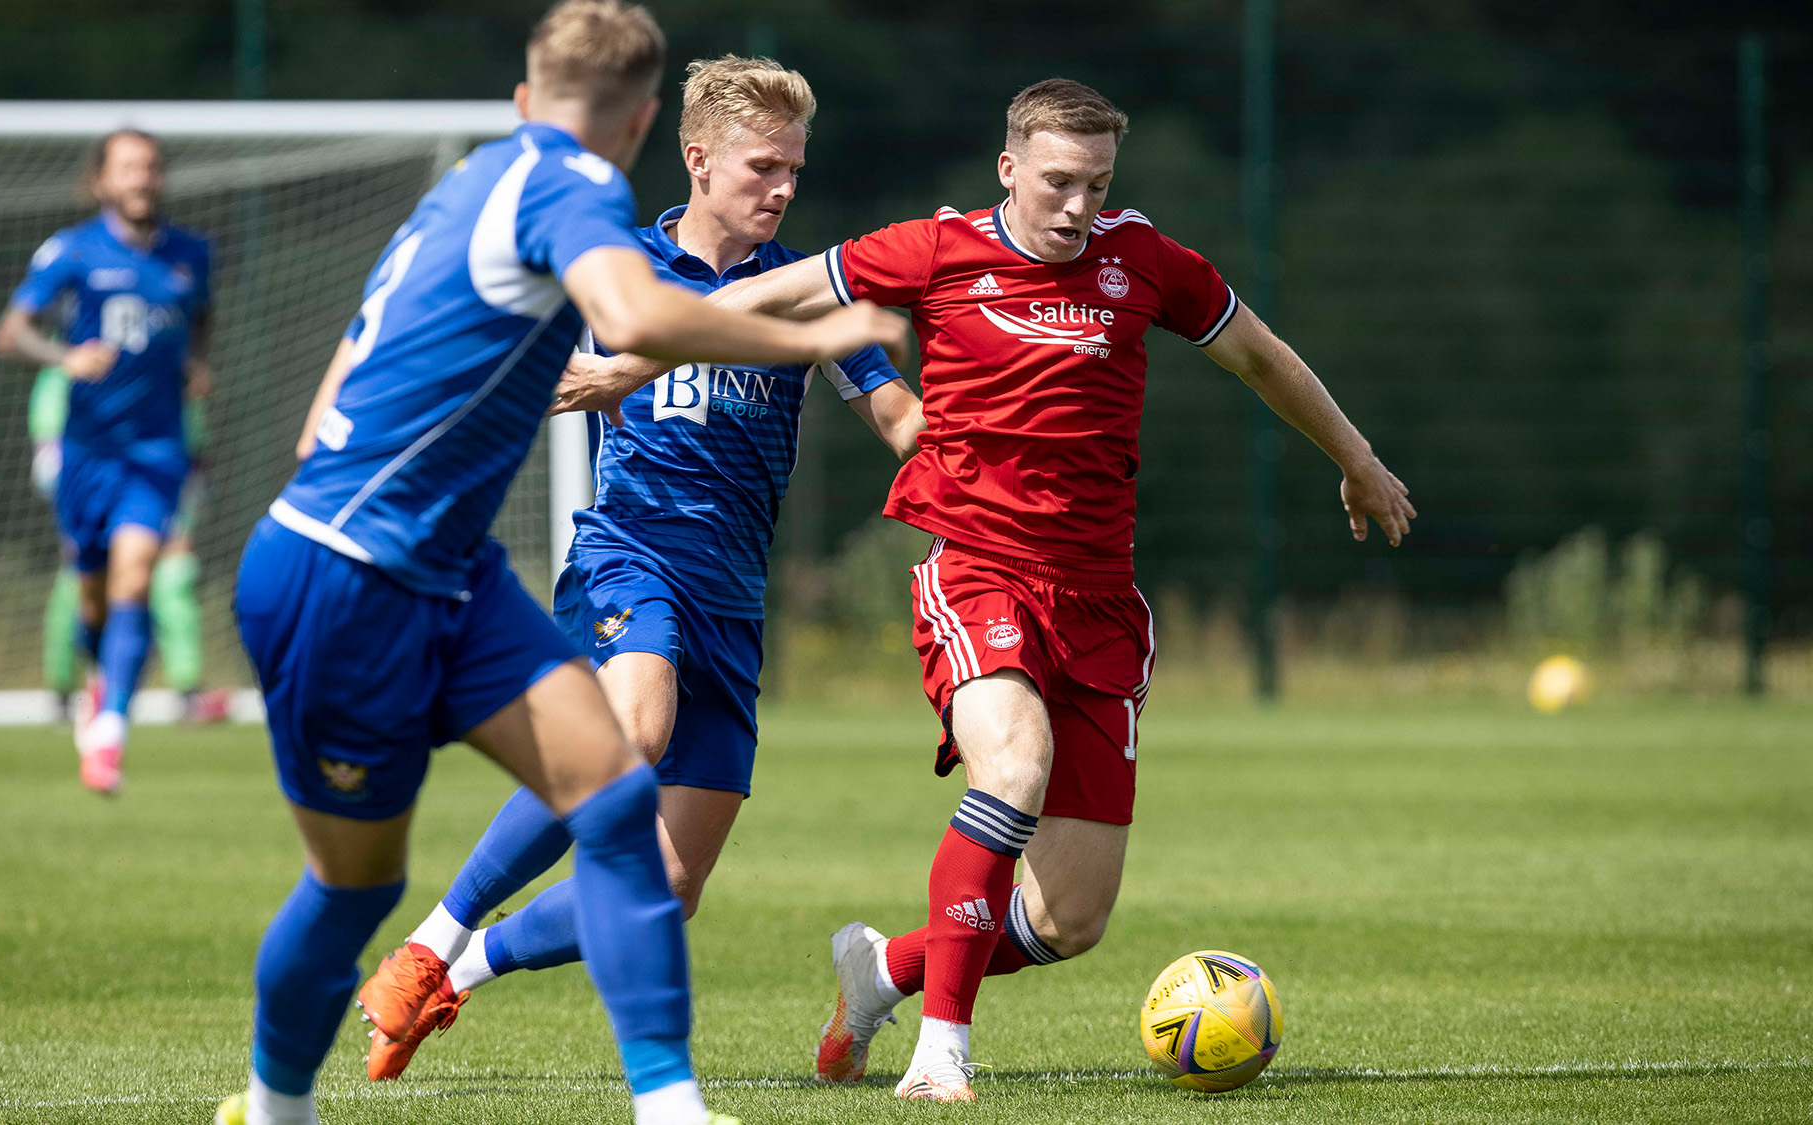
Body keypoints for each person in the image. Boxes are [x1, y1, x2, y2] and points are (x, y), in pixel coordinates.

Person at [554, 77, 1417, 1102]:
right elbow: (768, 296)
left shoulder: (1141, 262)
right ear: (1008, 169)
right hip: (975, 573)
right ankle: (939, 1054)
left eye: (1096, 185)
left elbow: (1260, 358)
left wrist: (1358, 459)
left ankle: (882, 975)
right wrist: (629, 362)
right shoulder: (933, 249)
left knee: (1067, 921)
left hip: (1097, 603)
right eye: (1056, 182)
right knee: (1010, 763)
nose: (1075, 206)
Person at [212, 4, 909, 1124]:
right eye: (759, 165)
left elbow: (890, 408)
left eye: (793, 169)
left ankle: (454, 968)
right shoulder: (599, 244)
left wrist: (945, 444)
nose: (779, 186)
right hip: (625, 554)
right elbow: (597, 336)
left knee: (669, 886)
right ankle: (477, 992)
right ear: (680, 147)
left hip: (728, 594)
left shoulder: (791, 277)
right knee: (623, 742)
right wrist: (762, 340)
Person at [0, 128, 216, 794]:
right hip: (86, 454)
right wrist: (65, 358)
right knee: (91, 594)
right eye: (127, 169)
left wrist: (196, 362)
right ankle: (101, 683)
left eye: (149, 167)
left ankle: (110, 731)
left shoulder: (193, 255)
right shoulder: (73, 251)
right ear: (101, 181)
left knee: (136, 577)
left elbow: (202, 316)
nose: (141, 179)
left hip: (157, 450)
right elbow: (12, 331)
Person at [30, 366, 229, 726]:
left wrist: (188, 496)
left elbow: (192, 435)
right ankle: (66, 689)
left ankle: (186, 691)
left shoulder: (168, 344)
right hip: (89, 475)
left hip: (155, 477)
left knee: (173, 572)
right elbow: (49, 449)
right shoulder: (72, 358)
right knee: (81, 579)